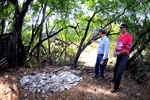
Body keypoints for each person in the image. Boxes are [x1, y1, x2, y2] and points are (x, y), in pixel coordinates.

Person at [111, 22, 133, 92]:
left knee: (119, 72)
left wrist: (118, 52)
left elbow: (127, 50)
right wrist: (115, 51)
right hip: (119, 56)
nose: (122, 29)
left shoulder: (129, 37)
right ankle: (114, 80)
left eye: (123, 28)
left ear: (126, 28)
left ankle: (116, 88)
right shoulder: (120, 36)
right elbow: (117, 45)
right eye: (121, 28)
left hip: (124, 57)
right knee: (115, 69)